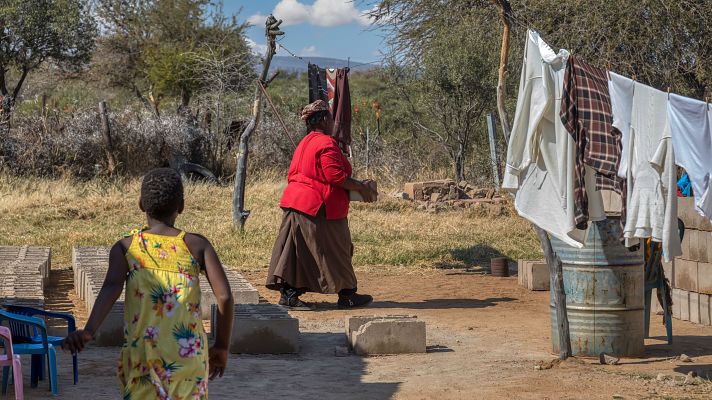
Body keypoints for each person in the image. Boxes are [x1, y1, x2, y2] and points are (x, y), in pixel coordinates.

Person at [63, 168, 234, 399]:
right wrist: (222, 347)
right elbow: (224, 297)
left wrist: (89, 330)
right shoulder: (197, 246)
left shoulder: (126, 248)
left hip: (143, 357)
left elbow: (110, 288)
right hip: (188, 357)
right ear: (181, 206)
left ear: (141, 204)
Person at [266, 99, 377, 310]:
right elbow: (335, 176)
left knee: (299, 252)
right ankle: (347, 295)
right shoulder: (326, 143)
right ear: (324, 119)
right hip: (318, 208)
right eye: (330, 117)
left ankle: (290, 294)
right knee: (337, 248)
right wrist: (362, 186)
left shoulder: (305, 142)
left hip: (296, 204)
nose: (333, 121)